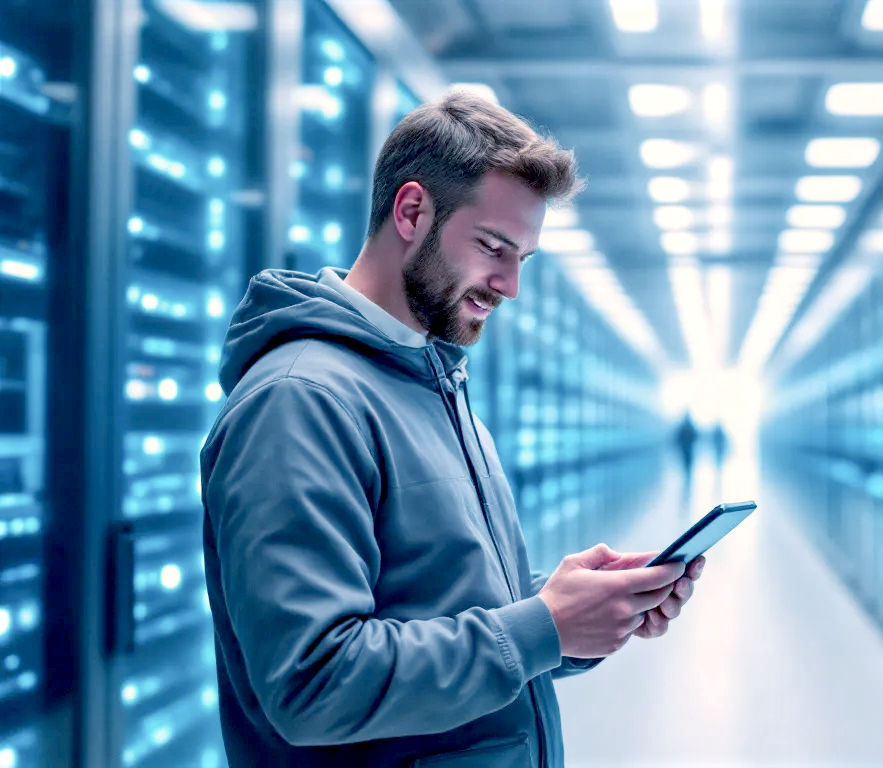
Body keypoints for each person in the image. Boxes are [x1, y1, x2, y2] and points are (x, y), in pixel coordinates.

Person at [200, 91, 707, 768]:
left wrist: (570, 613)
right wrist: (542, 627)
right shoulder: (301, 401)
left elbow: (435, 605)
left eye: (523, 259)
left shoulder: (433, 380)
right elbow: (314, 684)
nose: (509, 285)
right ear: (412, 212)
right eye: (494, 247)